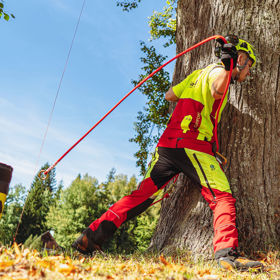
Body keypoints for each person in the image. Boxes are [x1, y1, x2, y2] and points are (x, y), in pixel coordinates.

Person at [72, 35, 263, 271]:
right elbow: (217, 90)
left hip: (167, 146)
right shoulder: (218, 73)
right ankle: (227, 255)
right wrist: (226, 66)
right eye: (249, 66)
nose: (249, 74)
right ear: (240, 59)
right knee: (222, 196)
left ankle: (90, 238)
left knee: (141, 196)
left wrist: (192, 91)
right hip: (192, 144)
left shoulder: (197, 75)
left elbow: (170, 95)